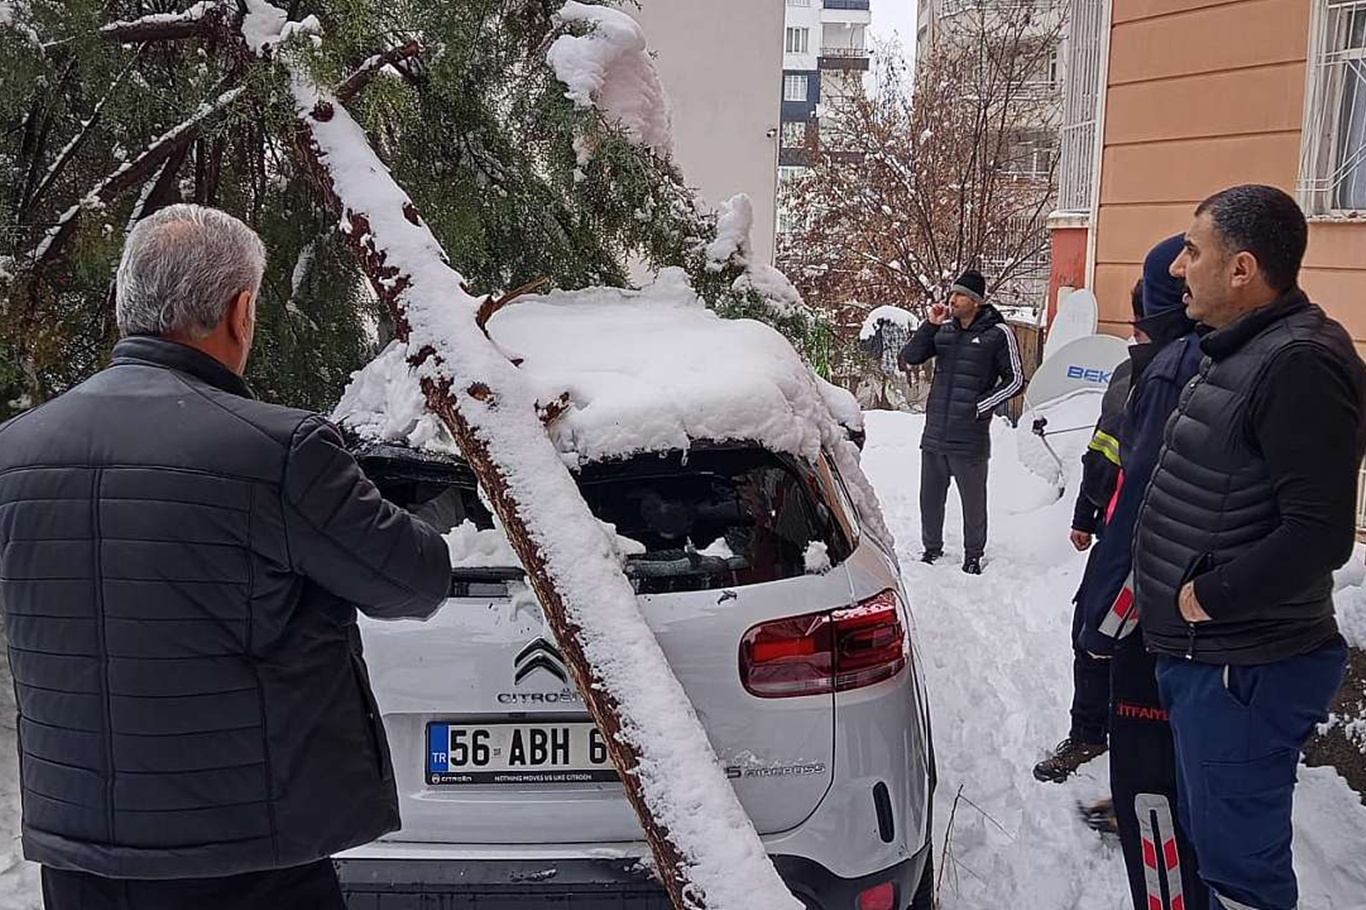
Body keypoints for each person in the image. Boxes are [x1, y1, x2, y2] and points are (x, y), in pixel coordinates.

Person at [0, 205, 453, 910]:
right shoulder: (278, 451)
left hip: (78, 855)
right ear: (240, 312)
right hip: (246, 855)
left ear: (127, 303)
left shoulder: (15, 451)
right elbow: (414, 581)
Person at [1134, 185, 1366, 910]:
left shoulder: (1297, 363)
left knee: (1241, 867)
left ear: (1242, 269)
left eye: (1193, 251)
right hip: (1211, 656)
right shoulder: (1240, 347)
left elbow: (1319, 531)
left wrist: (1205, 598)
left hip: (1244, 662)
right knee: (1213, 836)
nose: (1178, 269)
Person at [1073, 235, 1209, 910]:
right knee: (1187, 780)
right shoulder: (1231, 362)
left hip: (1157, 623)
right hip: (1208, 628)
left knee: (1152, 785)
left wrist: (1099, 622)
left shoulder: (1165, 375)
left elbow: (1145, 517)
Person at [1031, 280, 1143, 785]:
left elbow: (1102, 455)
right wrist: (1084, 515)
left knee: (1101, 637)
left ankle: (1106, 742)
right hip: (1122, 537)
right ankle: (1094, 736)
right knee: (1097, 635)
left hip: (1139, 550)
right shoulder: (1129, 373)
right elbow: (1102, 453)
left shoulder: (1147, 373)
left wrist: (1087, 514)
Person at [898, 269, 1024, 574]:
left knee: (973, 502)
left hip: (969, 436)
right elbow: (910, 357)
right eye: (952, 294)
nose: (952, 300)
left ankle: (973, 554)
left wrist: (981, 406)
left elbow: (1016, 380)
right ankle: (931, 548)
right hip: (936, 432)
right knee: (930, 498)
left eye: (960, 295)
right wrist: (930, 325)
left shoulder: (998, 333)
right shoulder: (945, 330)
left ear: (976, 301)